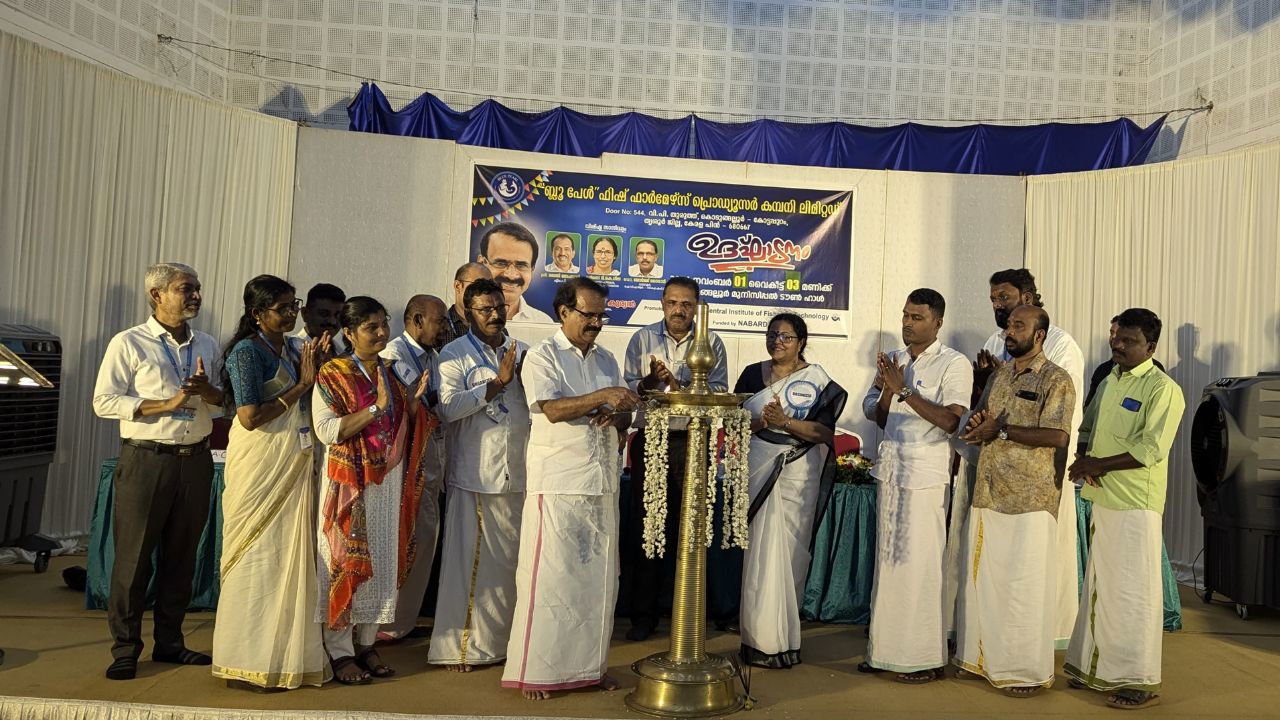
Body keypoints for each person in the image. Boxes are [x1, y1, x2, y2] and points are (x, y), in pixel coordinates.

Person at [502, 277, 638, 699]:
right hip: (558, 483)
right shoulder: (541, 356)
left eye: (602, 315)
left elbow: (619, 417)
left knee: (596, 584)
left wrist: (618, 413)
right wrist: (604, 396)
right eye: (589, 314)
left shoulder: (607, 359)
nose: (596, 322)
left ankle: (588, 669)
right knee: (551, 581)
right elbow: (553, 409)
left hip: (600, 481)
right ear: (564, 312)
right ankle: (538, 672)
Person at [92, 262, 223, 680]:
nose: (196, 296)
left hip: (195, 460)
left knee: (182, 558)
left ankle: (170, 642)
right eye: (187, 289)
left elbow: (224, 405)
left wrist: (209, 393)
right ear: (157, 295)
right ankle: (125, 648)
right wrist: (162, 405)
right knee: (133, 561)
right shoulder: (129, 342)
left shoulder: (208, 343)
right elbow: (103, 401)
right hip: (147, 459)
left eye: (198, 288)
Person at [212, 275, 331, 691]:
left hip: (296, 460)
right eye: (282, 308)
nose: (292, 313)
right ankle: (243, 658)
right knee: (256, 556)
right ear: (257, 313)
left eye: (293, 305)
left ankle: (284, 655)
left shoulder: (296, 347)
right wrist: (301, 384)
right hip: (260, 460)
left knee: (289, 557)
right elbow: (248, 417)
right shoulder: (247, 352)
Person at [312, 297, 437, 684]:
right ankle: (339, 650)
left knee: (381, 564)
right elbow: (327, 431)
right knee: (344, 563)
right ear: (348, 333)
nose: (382, 333)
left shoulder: (389, 371)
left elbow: (405, 424)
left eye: (384, 324)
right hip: (349, 486)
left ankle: (366, 644)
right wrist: (376, 409)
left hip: (387, 484)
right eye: (371, 327)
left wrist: (412, 408)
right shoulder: (332, 373)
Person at [1065, 309, 1183, 710]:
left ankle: (1140, 680)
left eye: (1128, 341)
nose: (1117, 345)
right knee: (1102, 587)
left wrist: (1096, 465)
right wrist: (1084, 456)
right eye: (1116, 338)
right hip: (1103, 497)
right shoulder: (1110, 379)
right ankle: (1092, 666)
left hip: (1136, 503)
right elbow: (1088, 427)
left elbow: (1151, 449)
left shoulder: (1163, 388)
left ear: (1150, 347)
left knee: (1135, 595)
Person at [955, 305, 1075, 697]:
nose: (1009, 330)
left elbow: (1058, 436)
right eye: (1009, 324)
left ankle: (1026, 671)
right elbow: (984, 418)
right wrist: (977, 427)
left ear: (1039, 335)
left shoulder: (1057, 379)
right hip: (989, 491)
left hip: (1030, 497)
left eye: (1018, 325)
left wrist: (1001, 430)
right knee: (987, 583)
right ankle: (981, 660)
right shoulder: (1001, 374)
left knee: (1024, 589)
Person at [859, 289, 971, 683]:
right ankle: (884, 652)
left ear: (937, 322)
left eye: (917, 317)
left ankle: (924, 658)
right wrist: (889, 388)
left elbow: (951, 421)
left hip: (926, 477)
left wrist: (905, 389)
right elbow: (877, 415)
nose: (907, 323)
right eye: (905, 315)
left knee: (921, 569)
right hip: (892, 472)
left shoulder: (954, 364)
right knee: (888, 569)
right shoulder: (895, 359)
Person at [973, 268, 1084, 649]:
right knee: (997, 570)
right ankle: (997, 648)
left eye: (1004, 298)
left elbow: (1056, 416)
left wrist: (1001, 428)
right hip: (996, 479)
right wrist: (985, 382)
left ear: (1030, 298)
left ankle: (1041, 645)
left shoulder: (1062, 345)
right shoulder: (997, 341)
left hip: (1038, 478)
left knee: (1034, 571)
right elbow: (991, 404)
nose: (998, 309)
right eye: (993, 300)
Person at [735, 313, 847, 669]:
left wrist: (786, 422)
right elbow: (736, 422)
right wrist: (763, 422)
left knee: (789, 557)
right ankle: (756, 640)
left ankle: (782, 640)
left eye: (785, 336)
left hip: (799, 476)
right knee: (759, 558)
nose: (777, 342)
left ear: (801, 341)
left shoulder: (818, 382)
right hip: (758, 470)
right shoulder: (752, 375)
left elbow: (823, 433)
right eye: (772, 335)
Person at [429, 278, 530, 672]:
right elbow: (448, 410)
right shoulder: (453, 355)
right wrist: (497, 384)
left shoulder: (519, 351)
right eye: (485, 309)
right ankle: (460, 648)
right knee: (468, 565)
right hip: (476, 473)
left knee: (506, 567)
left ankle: (501, 644)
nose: (494, 315)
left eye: (499, 307)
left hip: (515, 473)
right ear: (468, 313)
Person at [622, 277, 728, 642]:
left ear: (697, 306)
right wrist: (652, 380)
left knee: (690, 528)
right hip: (652, 440)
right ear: (662, 303)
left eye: (686, 304)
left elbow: (716, 394)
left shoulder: (711, 342)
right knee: (647, 528)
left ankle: (689, 612)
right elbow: (632, 393)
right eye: (672, 303)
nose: (679, 310)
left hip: (692, 442)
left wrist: (679, 388)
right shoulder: (642, 339)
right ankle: (643, 616)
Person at [377, 295, 450, 642]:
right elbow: (425, 403)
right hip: (405, 468)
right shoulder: (394, 354)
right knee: (403, 542)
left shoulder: (434, 356)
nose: (445, 328)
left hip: (430, 462)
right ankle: (385, 626)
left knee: (424, 541)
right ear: (417, 320)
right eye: (440, 321)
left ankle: (402, 622)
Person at [476, 222, 555, 324]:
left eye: (521, 265)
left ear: (532, 269)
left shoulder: (544, 323)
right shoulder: (461, 318)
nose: (511, 275)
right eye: (501, 263)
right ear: (482, 264)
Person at [1084, 315, 1166, 408]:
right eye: (1112, 333)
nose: (1114, 337)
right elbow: (1088, 407)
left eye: (1119, 334)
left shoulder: (1154, 369)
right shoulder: (1102, 370)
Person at [443, 263, 493, 348]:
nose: (485, 293)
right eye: (479, 286)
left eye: (490, 287)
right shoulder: (441, 326)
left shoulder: (494, 326)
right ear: (458, 286)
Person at [291, 283, 347, 356]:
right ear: (305, 313)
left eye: (338, 315)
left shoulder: (342, 353)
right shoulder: (289, 350)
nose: (332, 321)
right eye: (324, 314)